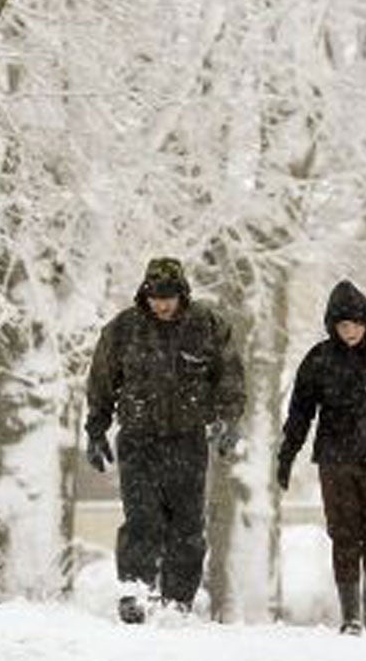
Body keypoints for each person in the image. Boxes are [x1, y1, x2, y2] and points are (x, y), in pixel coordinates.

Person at [84, 255, 246, 623]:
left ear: (182, 294)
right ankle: (135, 592)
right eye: (155, 296)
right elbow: (101, 383)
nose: (162, 304)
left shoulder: (207, 326)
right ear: (145, 293)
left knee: (187, 524)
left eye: (169, 296)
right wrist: (96, 430)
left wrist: (228, 420)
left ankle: (177, 601)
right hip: (138, 440)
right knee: (141, 518)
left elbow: (230, 378)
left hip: (187, 440)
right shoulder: (123, 329)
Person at [275, 280, 366, 634]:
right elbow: (300, 411)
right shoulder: (319, 359)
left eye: (355, 324)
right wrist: (287, 453)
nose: (350, 331)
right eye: (342, 325)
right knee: (343, 533)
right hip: (335, 458)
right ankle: (351, 614)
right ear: (333, 327)